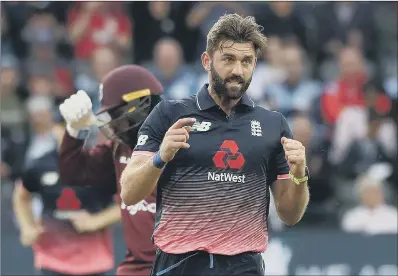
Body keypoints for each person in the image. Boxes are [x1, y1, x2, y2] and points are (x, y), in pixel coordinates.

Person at [120, 14, 310, 276]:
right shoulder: (168, 113)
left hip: (245, 265)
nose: (237, 71)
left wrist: (300, 175)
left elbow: (290, 215)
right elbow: (129, 193)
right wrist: (160, 157)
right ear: (207, 61)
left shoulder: (273, 124)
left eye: (247, 61)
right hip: (179, 264)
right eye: (228, 59)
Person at [57, 65, 164, 275]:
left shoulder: (184, 145)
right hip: (137, 266)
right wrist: (74, 130)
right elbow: (74, 172)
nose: (113, 127)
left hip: (179, 264)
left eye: (116, 115)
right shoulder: (120, 147)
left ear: (138, 109)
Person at [13, 95, 120, 276]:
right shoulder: (40, 164)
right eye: (68, 127)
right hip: (52, 260)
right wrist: (27, 227)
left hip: (94, 262)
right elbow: (21, 195)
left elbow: (128, 202)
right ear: (55, 128)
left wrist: (97, 221)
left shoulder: (102, 166)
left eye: (80, 128)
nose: (73, 135)